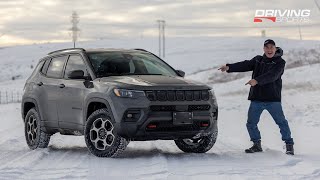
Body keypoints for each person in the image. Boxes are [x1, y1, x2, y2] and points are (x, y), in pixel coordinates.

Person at [218, 39, 294, 155]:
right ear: (263, 49)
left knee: (281, 122)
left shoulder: (280, 62)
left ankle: (289, 145)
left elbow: (272, 76)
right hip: (257, 98)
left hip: (272, 99)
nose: (269, 50)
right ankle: (256, 144)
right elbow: (245, 64)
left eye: (271, 47)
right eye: (267, 47)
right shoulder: (258, 60)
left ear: (275, 48)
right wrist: (229, 67)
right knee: (251, 123)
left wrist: (257, 80)